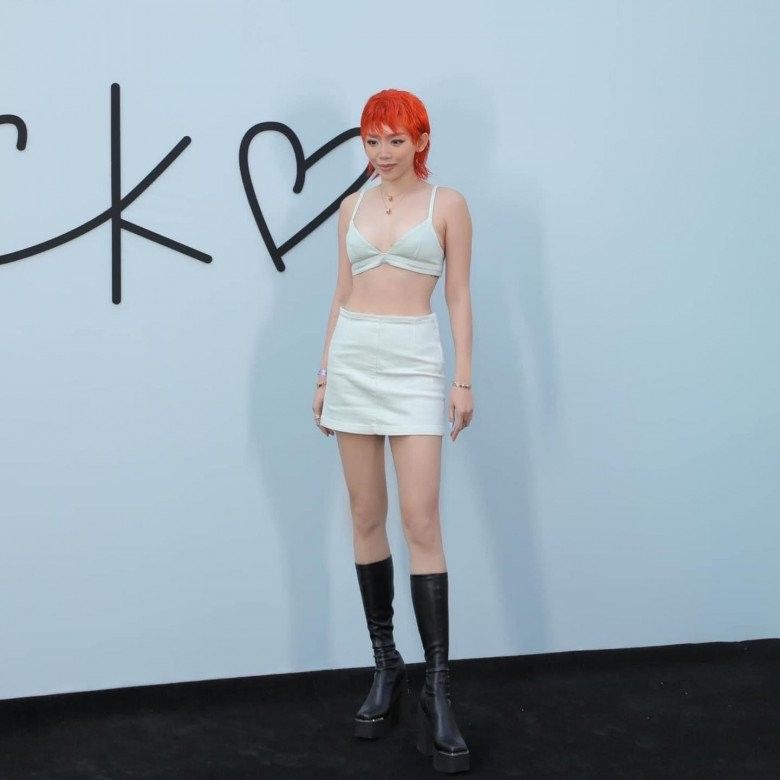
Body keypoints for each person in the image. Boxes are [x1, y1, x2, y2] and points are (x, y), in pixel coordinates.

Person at [312, 88, 474, 774]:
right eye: (373, 141)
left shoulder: (447, 204)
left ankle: (437, 690)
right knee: (364, 514)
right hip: (354, 357)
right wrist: (325, 374)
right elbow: (341, 293)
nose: (382, 153)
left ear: (421, 141)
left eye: (395, 141)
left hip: (413, 359)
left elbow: (458, 294)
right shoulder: (350, 208)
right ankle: (387, 666)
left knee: (422, 520)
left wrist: (463, 378)